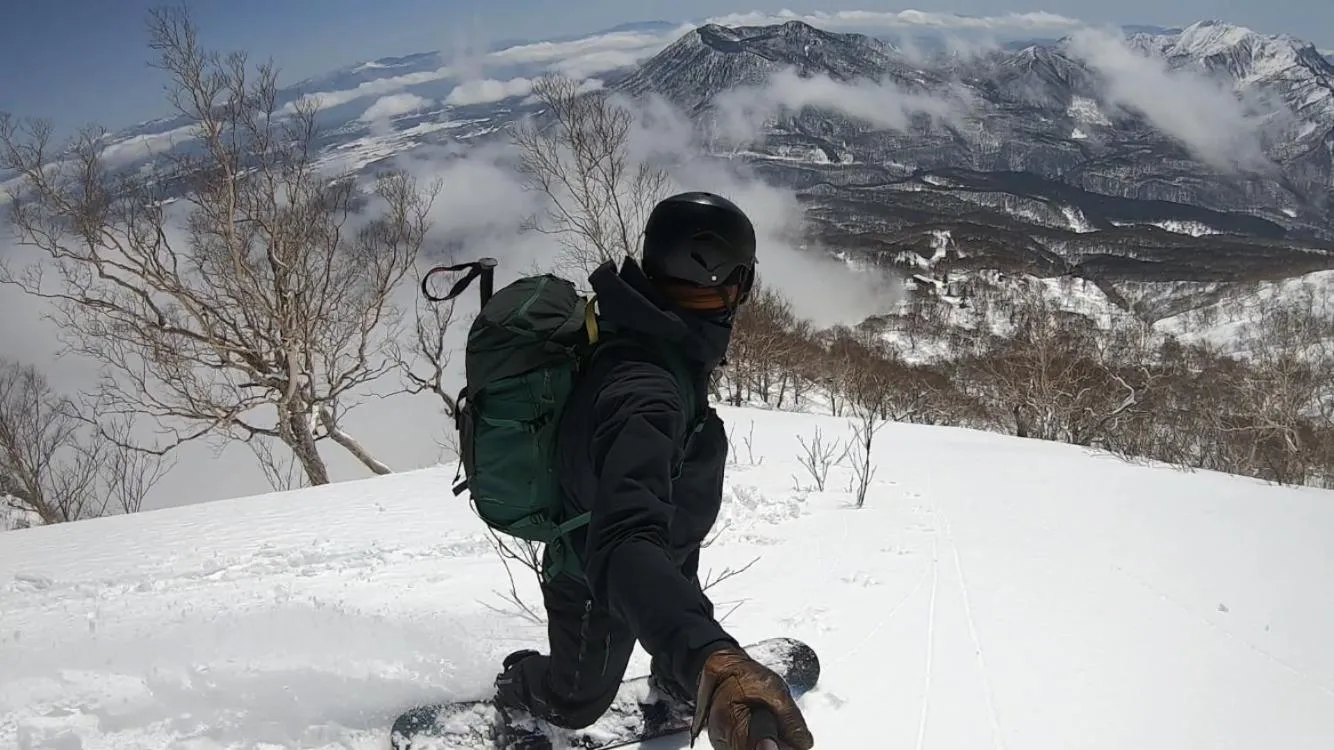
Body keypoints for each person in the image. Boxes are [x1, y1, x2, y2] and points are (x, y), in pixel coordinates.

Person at [492, 192, 815, 750]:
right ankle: (521, 691)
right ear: (731, 282)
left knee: (677, 597)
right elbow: (623, 544)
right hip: (597, 572)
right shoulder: (646, 391)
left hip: (665, 542)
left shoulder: (656, 334)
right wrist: (712, 660)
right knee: (575, 700)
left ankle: (675, 681)